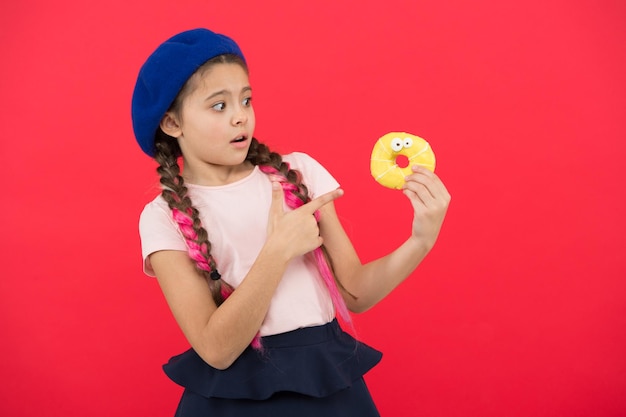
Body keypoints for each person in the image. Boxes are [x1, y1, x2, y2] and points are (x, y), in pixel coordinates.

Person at [131, 28, 450, 417]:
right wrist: (278, 250)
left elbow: (357, 294)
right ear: (172, 123)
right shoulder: (162, 217)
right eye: (219, 106)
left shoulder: (298, 172)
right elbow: (215, 349)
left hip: (328, 385)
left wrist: (421, 239)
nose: (239, 117)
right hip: (233, 399)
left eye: (246, 100)